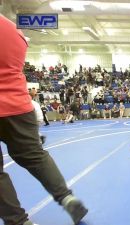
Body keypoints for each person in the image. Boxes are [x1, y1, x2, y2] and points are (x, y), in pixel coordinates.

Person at [0, 15, 88, 225]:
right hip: (18, 104)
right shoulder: (15, 30)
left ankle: (19, 221)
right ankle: (66, 197)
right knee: (35, 155)